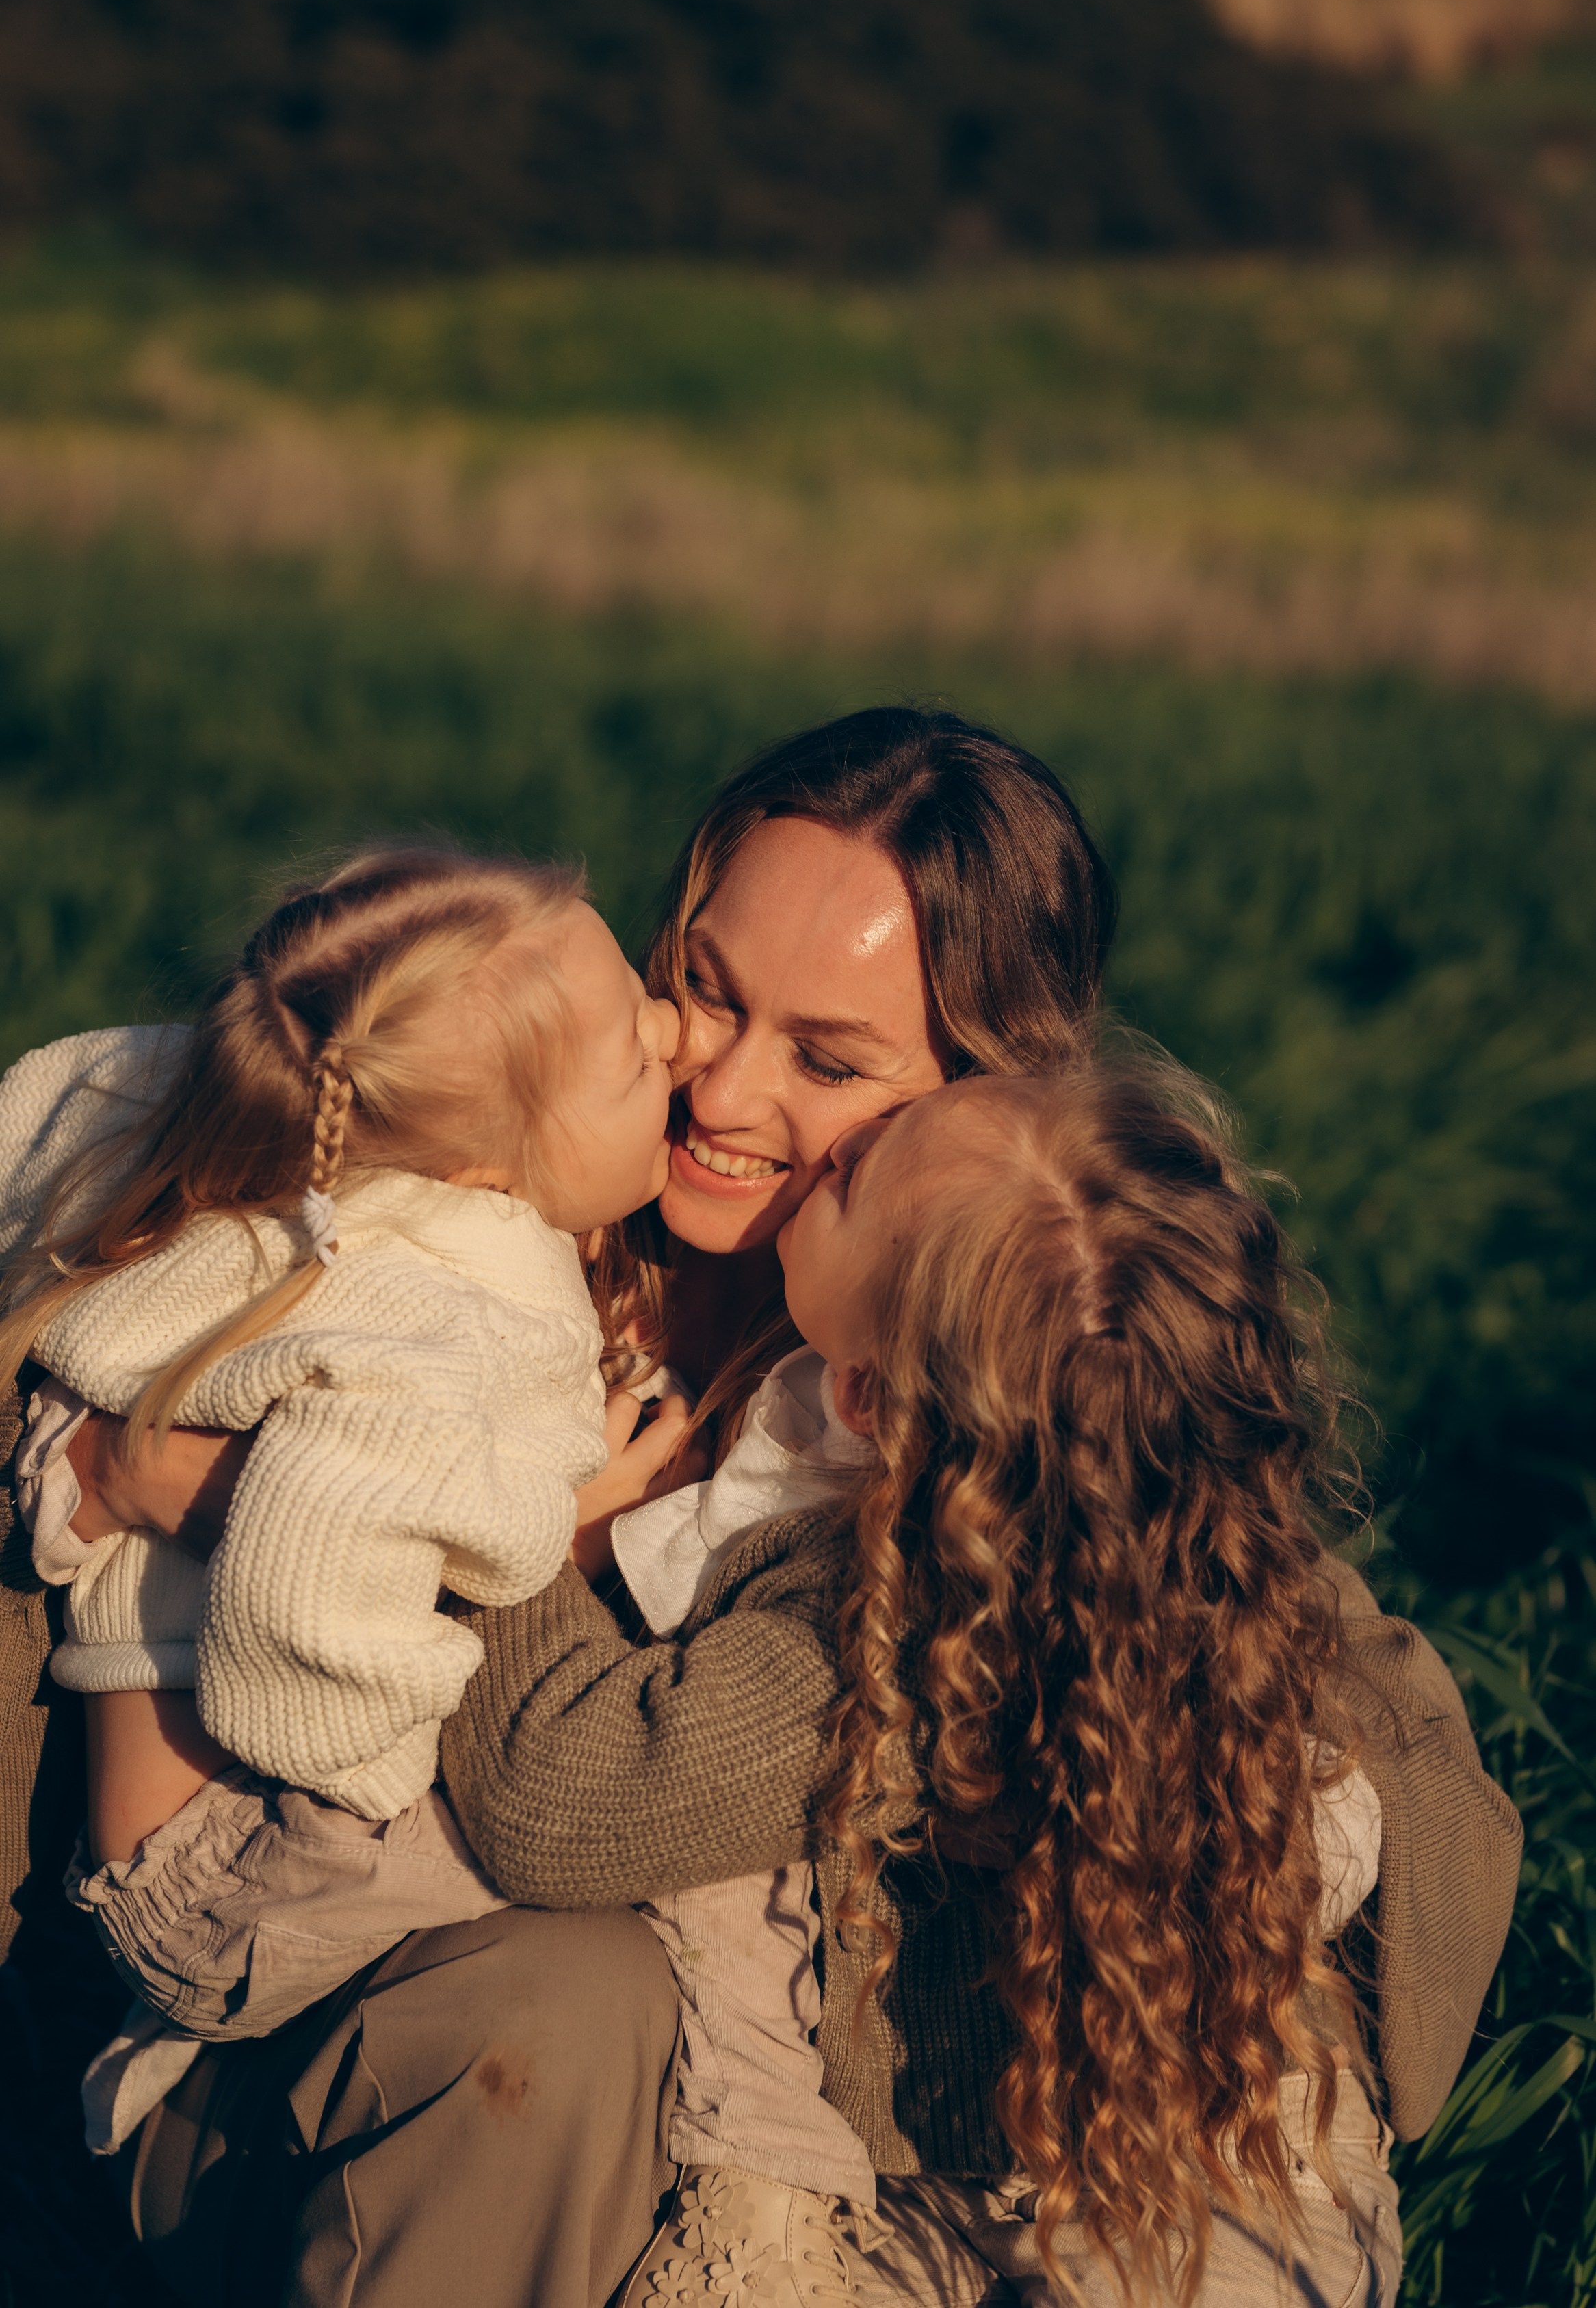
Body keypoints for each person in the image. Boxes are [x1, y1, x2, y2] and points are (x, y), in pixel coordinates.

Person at [0, 708, 1521, 2307]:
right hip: (262, 2020)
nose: (713, 1087)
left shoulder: (983, 1437)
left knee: (576, 2006)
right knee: (562, 2008)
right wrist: (196, 1461)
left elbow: (1256, 1618)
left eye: (830, 1060)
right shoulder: (494, 1179)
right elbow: (126, 1301)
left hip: (662, 2125)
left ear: (988, 1095)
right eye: (705, 988)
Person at [612, 1060, 1394, 2305]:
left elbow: (564, 1793)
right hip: (1064, 2135)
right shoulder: (1163, 1530)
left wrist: (548, 1546)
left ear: (871, 1395)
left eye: (855, 1164)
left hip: (1180, 2151)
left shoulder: (848, 1614)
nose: (826, 1149)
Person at [0, 847, 679, 2142]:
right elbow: (317, 1592)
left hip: (166, 1846)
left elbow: (53, 1102)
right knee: (639, 1885)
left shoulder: (280, 1168)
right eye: (636, 1063)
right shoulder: (458, 1303)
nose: (671, 1032)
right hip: (234, 1875)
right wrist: (553, 1538)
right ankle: (149, 2069)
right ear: (488, 1171)